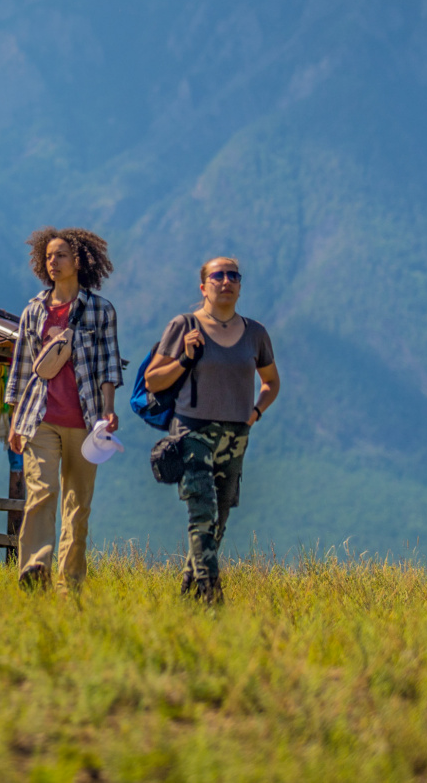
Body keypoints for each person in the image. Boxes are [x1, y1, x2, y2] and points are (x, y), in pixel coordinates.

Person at [144, 256, 280, 605]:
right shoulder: (184, 326)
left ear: (239, 285)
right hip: (192, 431)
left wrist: (254, 414)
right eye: (217, 275)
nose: (226, 281)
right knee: (201, 512)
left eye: (233, 275)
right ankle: (212, 597)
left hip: (236, 435)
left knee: (218, 520)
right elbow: (153, 379)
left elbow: (271, 382)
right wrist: (186, 358)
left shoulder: (255, 333)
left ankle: (189, 593)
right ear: (203, 286)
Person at [4, 227, 122, 594]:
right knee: (41, 492)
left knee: (77, 505)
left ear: (79, 261)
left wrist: (108, 410)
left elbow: (109, 366)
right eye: (49, 256)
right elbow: (22, 368)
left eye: (61, 256)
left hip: (86, 423)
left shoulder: (101, 310)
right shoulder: (34, 310)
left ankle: (69, 585)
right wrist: (15, 421)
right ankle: (35, 566)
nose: (53, 262)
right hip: (40, 419)